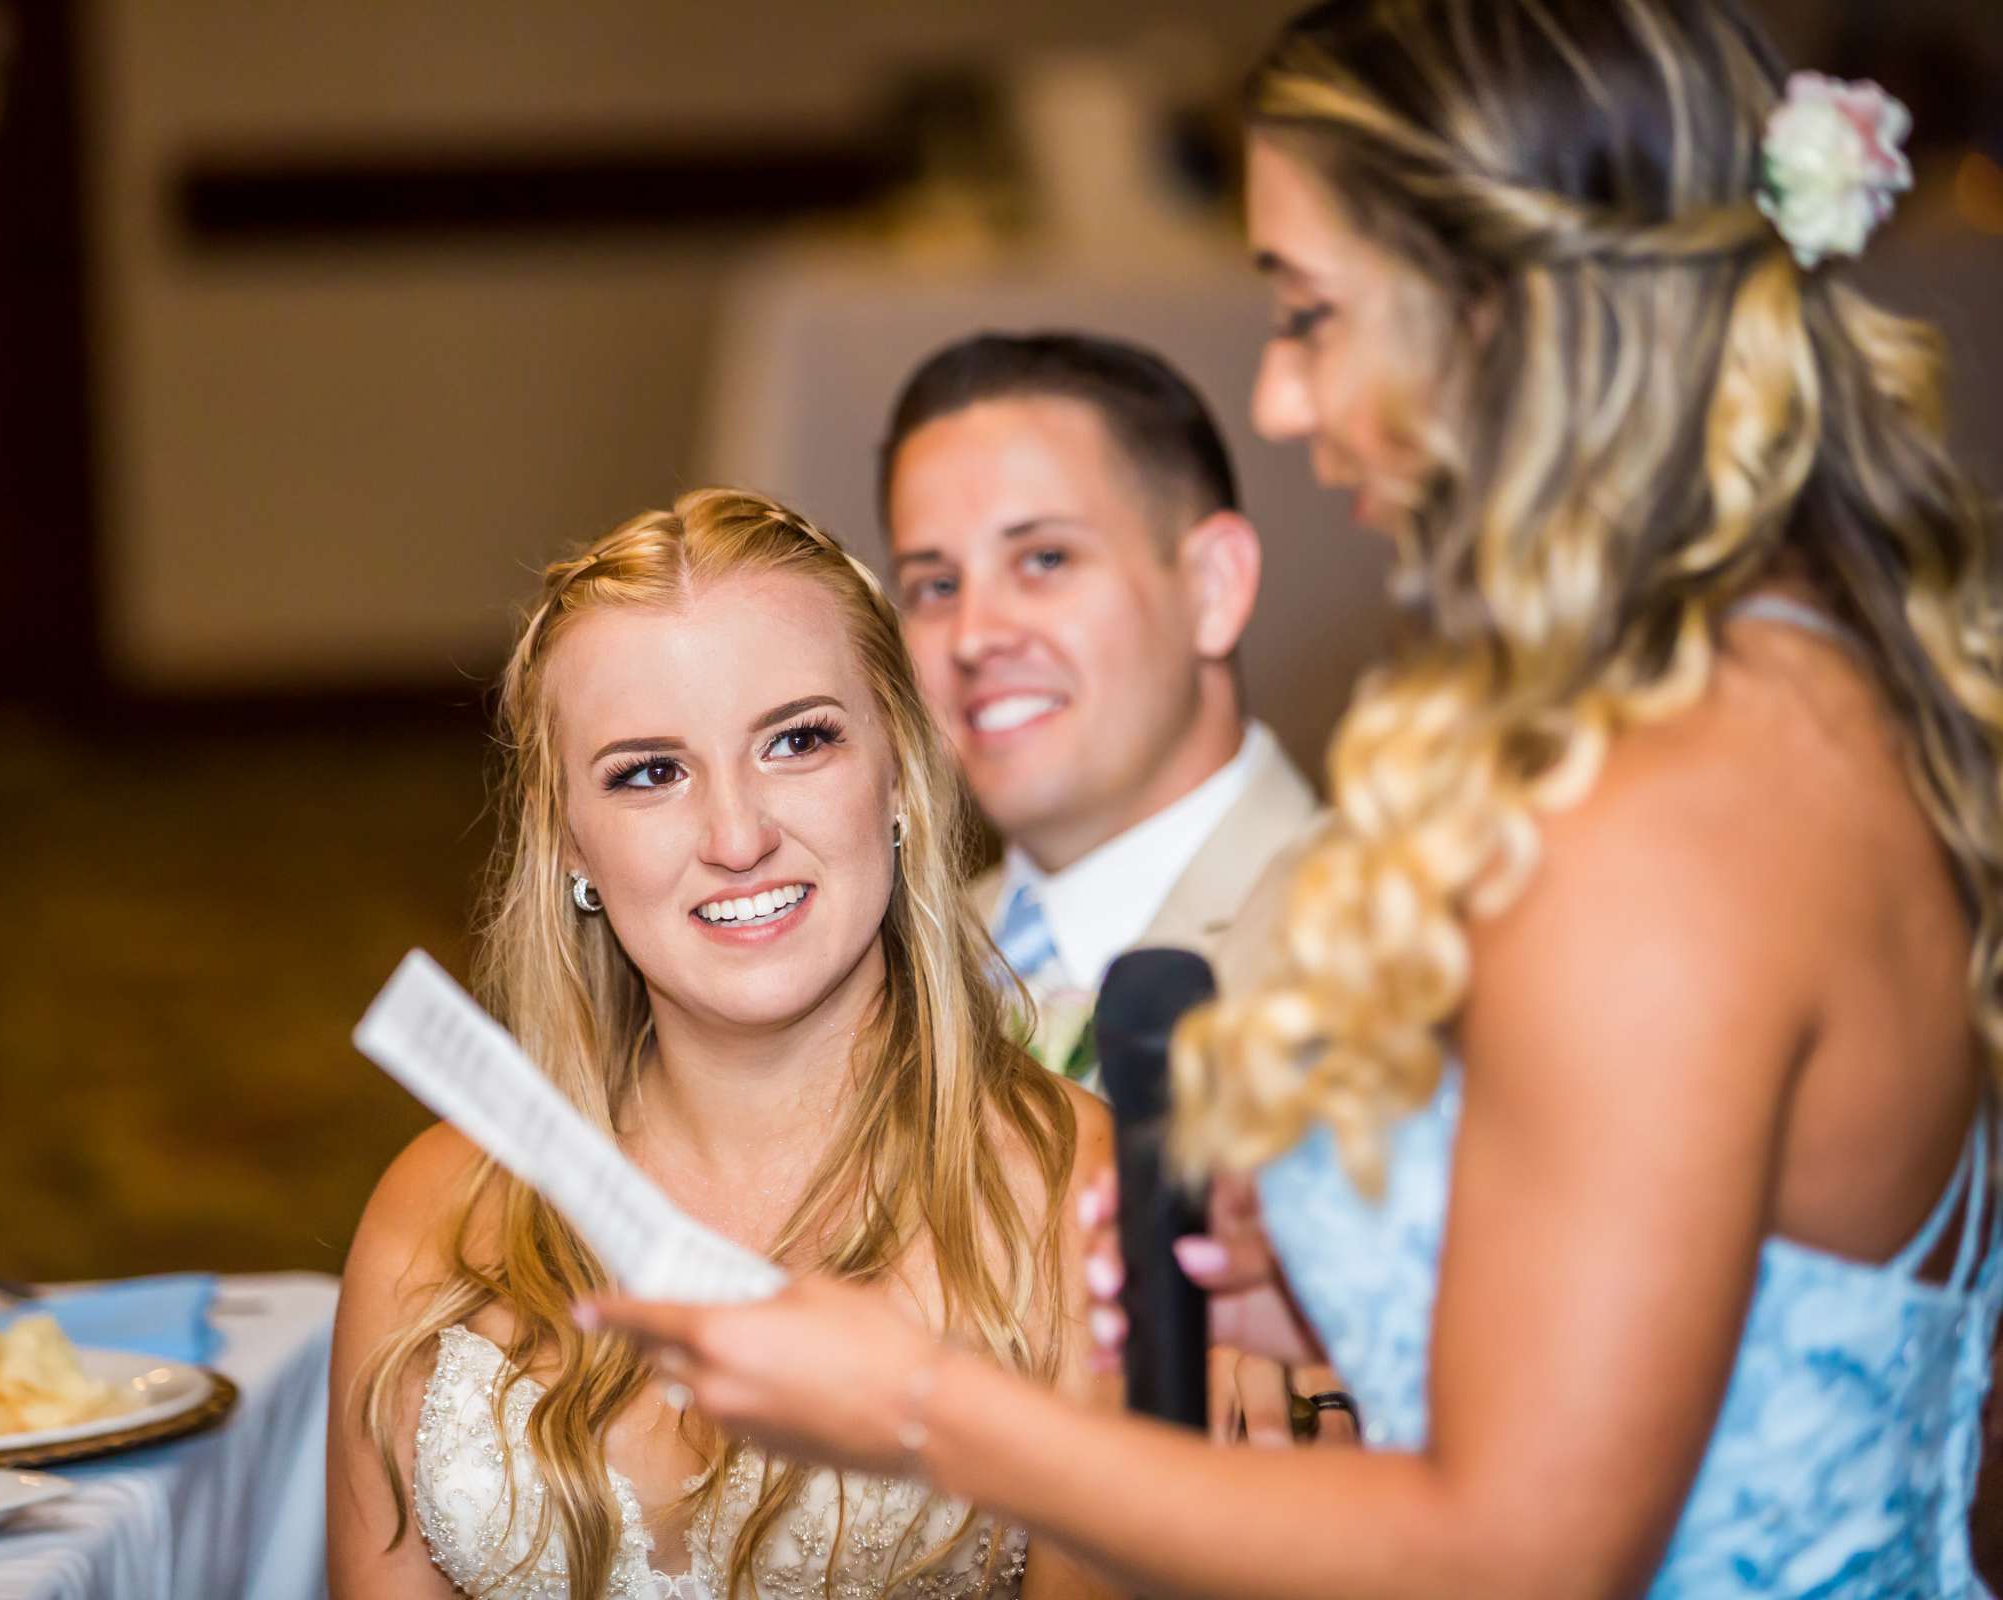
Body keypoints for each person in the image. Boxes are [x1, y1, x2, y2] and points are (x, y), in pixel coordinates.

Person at [589, 1, 2003, 1593]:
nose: (1276, 396)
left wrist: (926, 1405)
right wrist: (1354, 1296)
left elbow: (1519, 1555)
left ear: (1497, 312)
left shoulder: (1653, 833)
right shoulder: (1797, 696)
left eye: (1313, 313)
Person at [326, 489, 1116, 1600]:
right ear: (570, 846)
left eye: (798, 741)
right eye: (650, 772)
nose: (738, 836)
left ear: (899, 774)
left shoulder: (1073, 1199)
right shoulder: (435, 1215)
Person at [880, 333, 1318, 1082]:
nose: (975, 636)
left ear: (1214, 586)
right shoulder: (879, 972)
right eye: (936, 587)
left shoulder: (1387, 943)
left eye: (1045, 560)